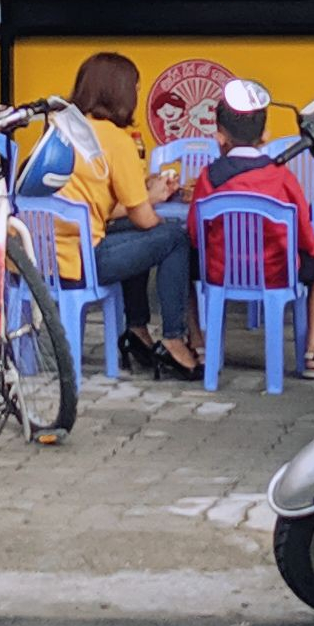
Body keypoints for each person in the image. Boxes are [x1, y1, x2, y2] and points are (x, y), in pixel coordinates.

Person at [58, 50, 202, 380]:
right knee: (172, 237)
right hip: (80, 259)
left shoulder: (60, 127)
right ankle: (174, 338)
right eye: (136, 88)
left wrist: (143, 194)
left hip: (41, 254)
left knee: (139, 237)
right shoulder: (115, 140)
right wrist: (152, 199)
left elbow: (91, 201)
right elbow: (145, 220)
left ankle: (136, 329)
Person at [188, 79, 314, 378]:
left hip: (220, 272)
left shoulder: (209, 177)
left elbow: (196, 235)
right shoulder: (281, 176)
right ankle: (313, 354)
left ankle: (198, 345)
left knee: (180, 263)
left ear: (219, 136)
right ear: (265, 135)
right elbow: (302, 228)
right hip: (277, 272)